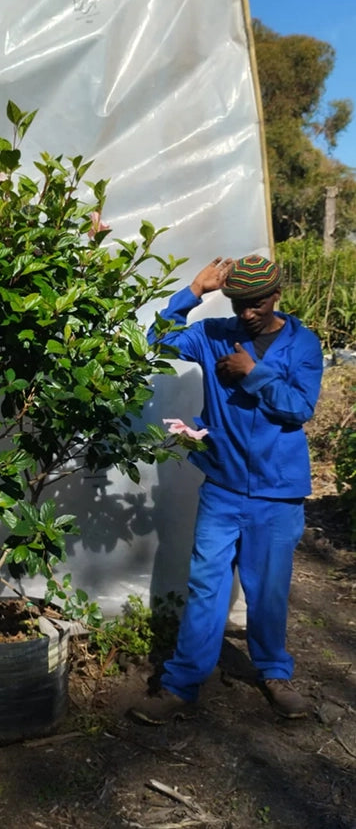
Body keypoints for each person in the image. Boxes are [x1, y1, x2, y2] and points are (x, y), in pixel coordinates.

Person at [130, 254, 323, 724]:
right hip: (222, 487)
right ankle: (182, 684)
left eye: (255, 303)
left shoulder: (303, 345)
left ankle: (274, 674)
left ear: (276, 295)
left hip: (278, 495)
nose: (246, 313)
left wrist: (251, 372)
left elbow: (300, 408)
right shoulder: (214, 333)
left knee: (268, 590)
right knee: (205, 587)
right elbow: (156, 340)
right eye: (238, 303)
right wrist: (194, 291)